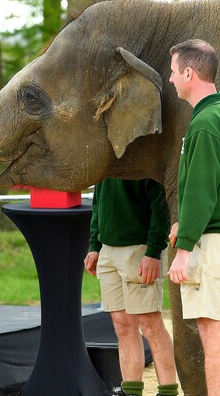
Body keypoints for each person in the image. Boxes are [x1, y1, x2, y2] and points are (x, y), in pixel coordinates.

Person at [84, 178, 178, 396]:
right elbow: (98, 201)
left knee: (149, 323)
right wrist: (95, 245)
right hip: (108, 250)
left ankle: (168, 392)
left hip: (141, 249)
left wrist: (154, 251)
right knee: (122, 325)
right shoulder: (105, 158)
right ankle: (131, 392)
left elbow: (161, 204)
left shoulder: (144, 153)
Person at [168, 38, 220, 396]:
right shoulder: (213, 116)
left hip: (210, 244)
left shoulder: (204, 123)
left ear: (189, 73)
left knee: (212, 334)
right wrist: (181, 223)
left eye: (173, 72)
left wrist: (184, 248)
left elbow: (202, 190)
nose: (171, 80)